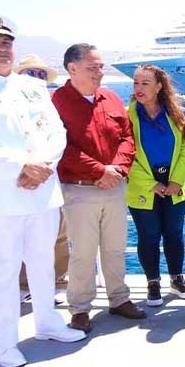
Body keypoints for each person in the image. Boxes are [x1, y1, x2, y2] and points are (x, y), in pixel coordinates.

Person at [0, 14, 85, 367]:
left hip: (42, 193)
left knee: (44, 265)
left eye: (6, 42)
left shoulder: (32, 88)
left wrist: (42, 165)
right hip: (0, 199)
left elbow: (56, 132)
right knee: (2, 273)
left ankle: (47, 323)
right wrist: (21, 166)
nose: (1, 48)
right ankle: (5, 341)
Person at [53, 43, 146, 333]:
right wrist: (99, 171)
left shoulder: (111, 98)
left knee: (116, 247)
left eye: (101, 66)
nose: (100, 72)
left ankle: (119, 299)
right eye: (93, 67)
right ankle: (80, 308)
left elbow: (127, 138)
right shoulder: (57, 102)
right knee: (82, 251)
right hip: (80, 188)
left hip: (114, 186)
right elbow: (60, 147)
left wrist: (116, 169)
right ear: (73, 68)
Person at [127, 65, 185, 306]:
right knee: (148, 236)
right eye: (136, 83)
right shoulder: (128, 116)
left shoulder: (175, 113)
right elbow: (125, 153)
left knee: (174, 235)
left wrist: (176, 180)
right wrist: (150, 183)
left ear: (158, 87)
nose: (139, 88)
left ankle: (177, 279)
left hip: (174, 186)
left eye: (145, 83)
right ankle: (152, 283)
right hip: (143, 187)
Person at [13, 54, 69, 300]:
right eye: (30, 73)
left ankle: (57, 281)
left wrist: (46, 166)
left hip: (55, 179)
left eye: (41, 74)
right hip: (18, 180)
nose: (37, 78)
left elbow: (62, 137)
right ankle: (24, 286)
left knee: (59, 235)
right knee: (20, 237)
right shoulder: (9, 104)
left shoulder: (55, 104)